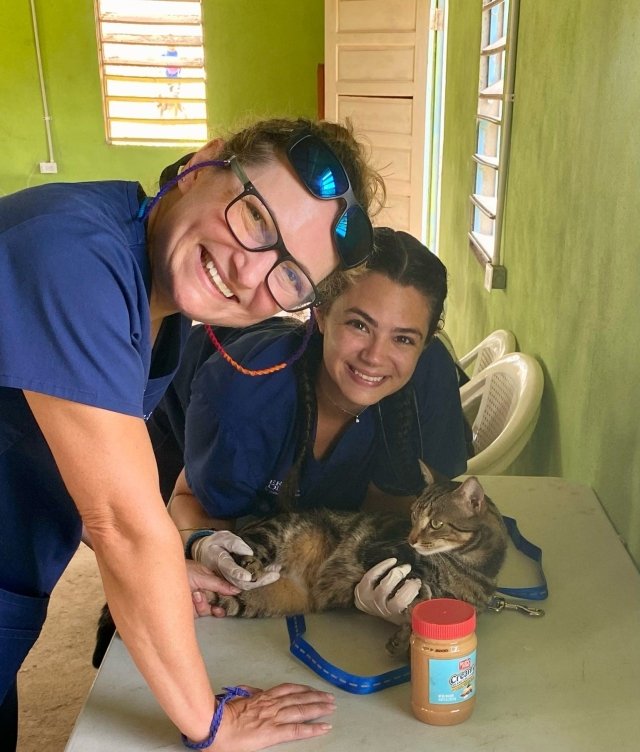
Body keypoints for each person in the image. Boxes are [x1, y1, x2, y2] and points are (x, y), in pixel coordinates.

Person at [0, 117, 382, 751]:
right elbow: (121, 520)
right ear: (202, 164)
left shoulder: (162, 304)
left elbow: (79, 459)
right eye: (257, 219)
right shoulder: (75, 256)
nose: (248, 270)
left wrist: (168, 570)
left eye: (289, 277)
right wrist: (212, 723)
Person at [161, 227, 467, 624]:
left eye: (404, 339)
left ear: (425, 345)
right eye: (359, 325)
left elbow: (406, 510)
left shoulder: (429, 379)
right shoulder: (245, 394)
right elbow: (190, 499)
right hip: (172, 425)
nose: (376, 357)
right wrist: (201, 543)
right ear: (319, 312)